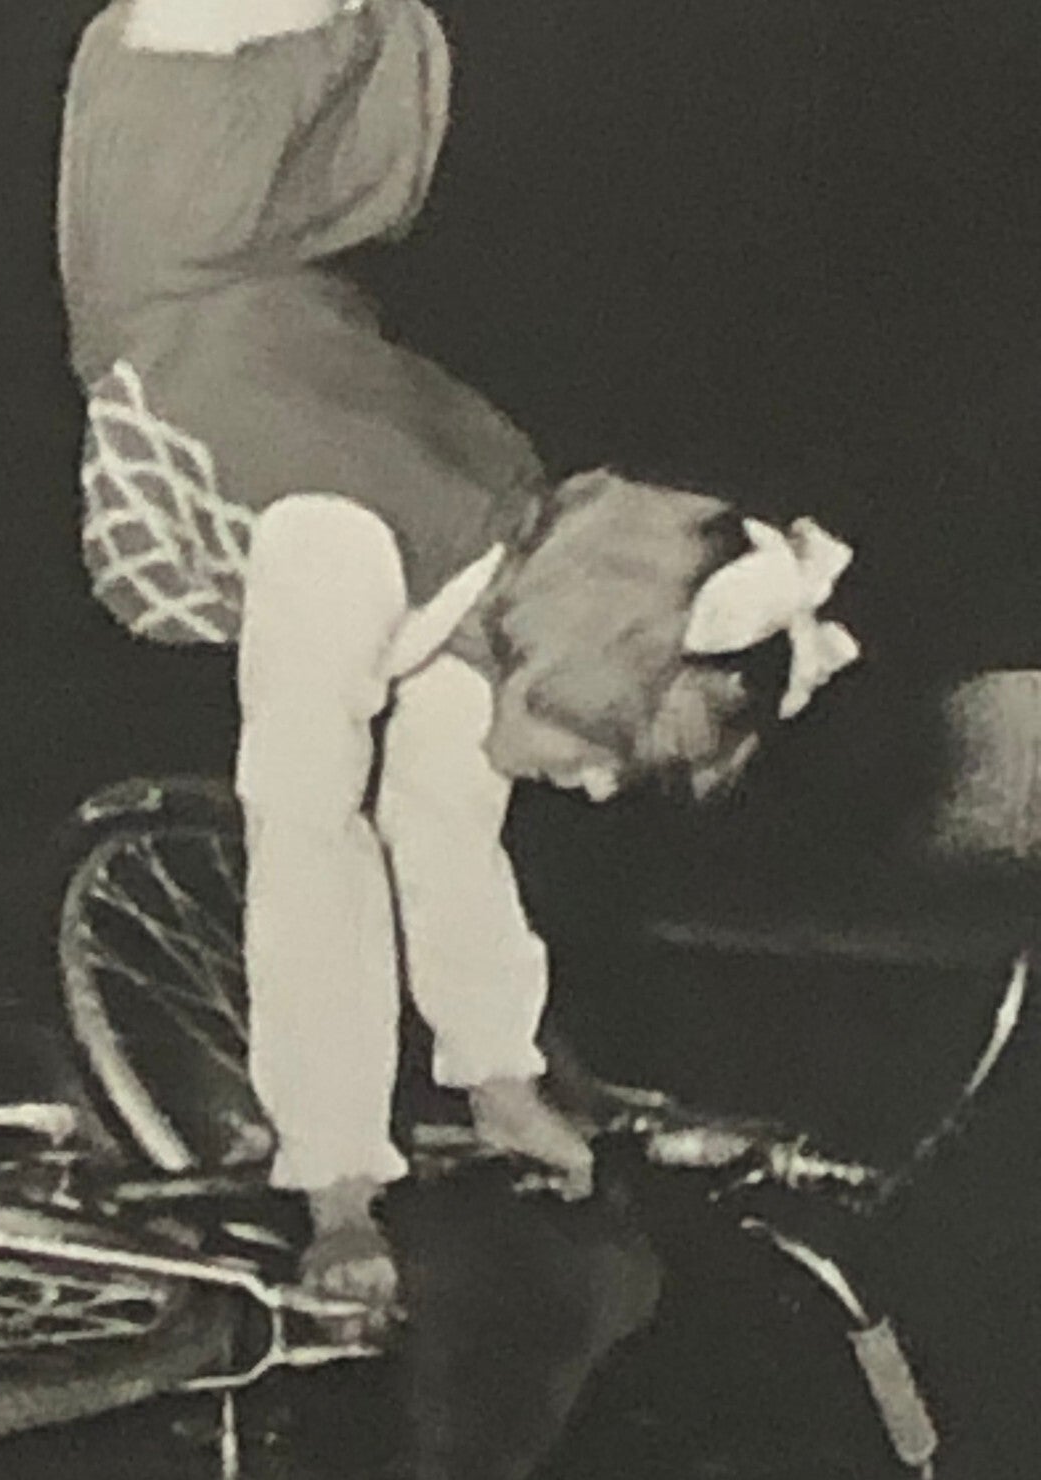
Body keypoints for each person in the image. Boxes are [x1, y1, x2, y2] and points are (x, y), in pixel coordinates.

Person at [56, 0, 860, 1320]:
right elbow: (307, 841)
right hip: (183, 213)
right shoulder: (343, 545)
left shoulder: (511, 558)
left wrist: (500, 1076)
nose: (594, 791)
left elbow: (443, 834)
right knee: (313, 811)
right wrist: (335, 1198)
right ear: (592, 671)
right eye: (615, 755)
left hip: (288, 240)